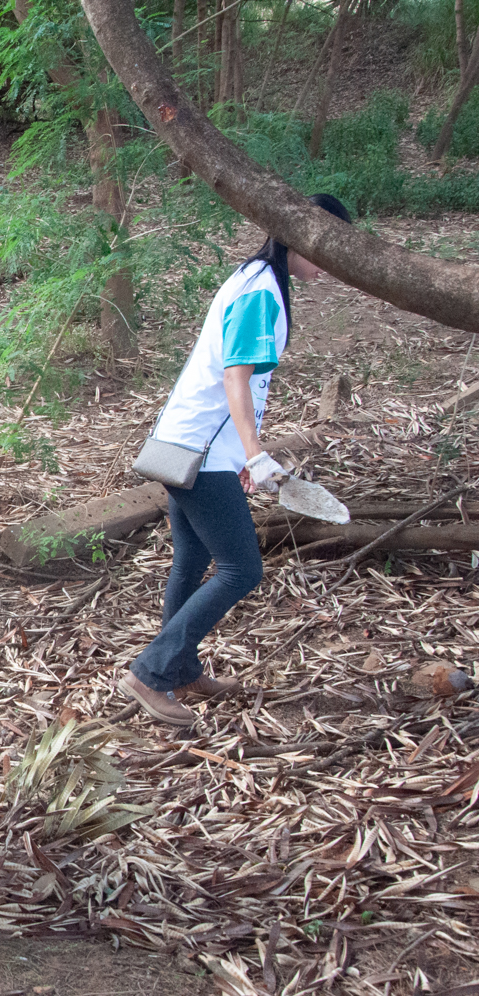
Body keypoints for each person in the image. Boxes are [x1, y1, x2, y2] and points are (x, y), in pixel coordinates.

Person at [119, 193, 353, 727]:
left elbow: (238, 380)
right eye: (329, 249)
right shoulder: (261, 293)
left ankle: (178, 667)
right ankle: (150, 672)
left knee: (192, 562)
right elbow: (236, 378)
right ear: (298, 238)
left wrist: (244, 451)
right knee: (241, 569)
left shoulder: (252, 278)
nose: (332, 265)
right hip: (201, 452)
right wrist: (255, 453)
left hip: (185, 443)